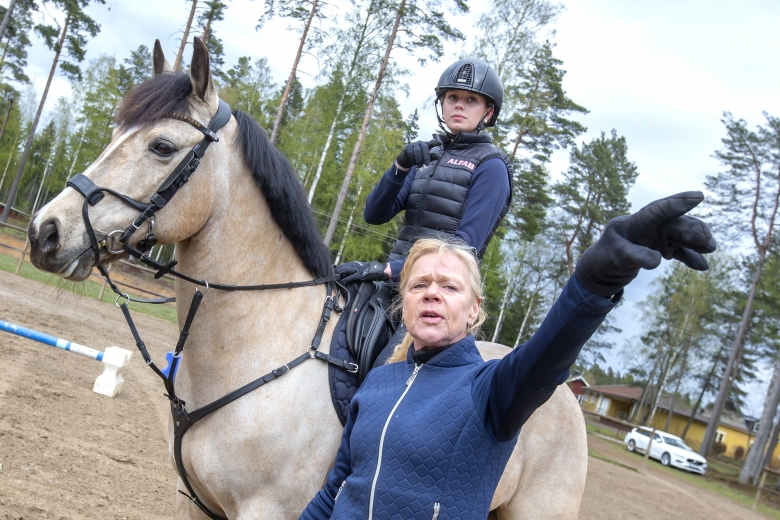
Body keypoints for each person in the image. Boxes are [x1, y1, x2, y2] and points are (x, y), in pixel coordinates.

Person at [300, 192, 717, 520]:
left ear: (474, 309)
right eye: (419, 285)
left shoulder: (490, 390)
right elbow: (336, 489)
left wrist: (594, 283)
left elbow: (546, 357)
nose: (431, 292)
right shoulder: (376, 383)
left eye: (449, 287)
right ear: (404, 303)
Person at [335, 58, 512, 285]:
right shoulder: (428, 154)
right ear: (443, 103)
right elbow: (374, 215)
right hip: (395, 280)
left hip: (439, 289)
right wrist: (400, 167)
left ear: (488, 112)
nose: (459, 105)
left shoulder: (492, 166)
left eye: (471, 99)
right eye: (452, 97)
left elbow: (462, 251)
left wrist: (389, 269)